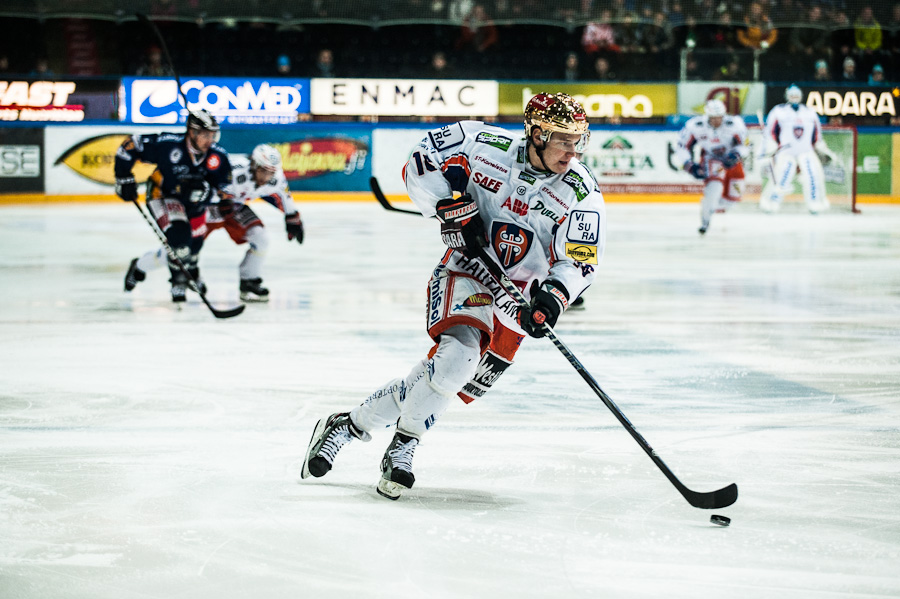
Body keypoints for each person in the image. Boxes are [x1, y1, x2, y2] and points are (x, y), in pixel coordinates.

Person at [301, 93, 606, 499]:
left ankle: (348, 425)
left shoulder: (581, 192)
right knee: (455, 360)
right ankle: (403, 447)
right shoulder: (483, 143)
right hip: (467, 269)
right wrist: (447, 203)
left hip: (519, 303)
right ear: (536, 133)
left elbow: (580, 261)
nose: (572, 151)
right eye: (562, 140)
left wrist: (553, 298)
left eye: (578, 141)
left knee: (449, 382)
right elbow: (421, 158)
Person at [125, 144, 303, 302]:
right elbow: (200, 185)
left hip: (233, 208)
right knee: (181, 249)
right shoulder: (233, 168)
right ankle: (141, 265)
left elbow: (283, 195)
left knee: (261, 237)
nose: (267, 176)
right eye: (264, 170)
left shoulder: (275, 178)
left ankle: (250, 280)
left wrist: (292, 217)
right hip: (206, 207)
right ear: (254, 165)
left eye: (271, 172)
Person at [116, 109, 234, 302]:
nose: (210, 140)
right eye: (205, 135)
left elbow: (224, 188)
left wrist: (217, 197)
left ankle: (143, 267)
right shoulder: (168, 145)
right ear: (192, 132)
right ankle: (178, 281)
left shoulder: (217, 157)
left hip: (195, 204)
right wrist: (124, 177)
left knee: (193, 247)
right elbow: (130, 145)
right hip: (163, 196)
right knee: (179, 240)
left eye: (213, 135)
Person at [674, 99, 749, 235]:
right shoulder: (695, 125)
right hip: (711, 158)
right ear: (707, 116)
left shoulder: (735, 124)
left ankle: (713, 207)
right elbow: (681, 146)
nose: (716, 121)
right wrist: (689, 165)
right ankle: (705, 221)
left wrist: (735, 155)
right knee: (714, 189)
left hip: (731, 158)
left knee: (734, 197)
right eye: (713, 118)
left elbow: (744, 145)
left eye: (719, 117)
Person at [758, 85, 835, 215]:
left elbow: (817, 136)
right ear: (787, 96)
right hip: (785, 152)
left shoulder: (810, 112)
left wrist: (822, 149)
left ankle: (815, 203)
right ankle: (771, 202)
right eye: (792, 95)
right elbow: (770, 133)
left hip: (806, 151)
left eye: (797, 95)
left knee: (813, 175)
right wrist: (770, 150)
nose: (794, 97)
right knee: (782, 176)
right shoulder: (778, 111)